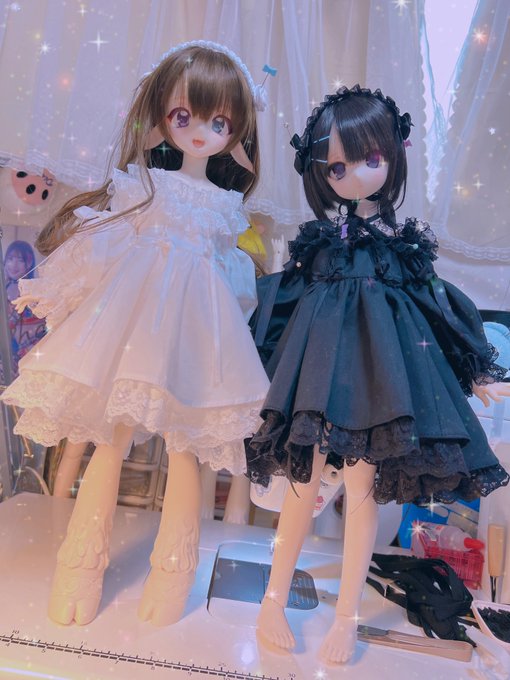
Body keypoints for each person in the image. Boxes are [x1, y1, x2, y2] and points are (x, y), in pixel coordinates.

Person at [1, 40, 269, 626]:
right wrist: (67, 291)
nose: (201, 132)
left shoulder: (224, 207)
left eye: (219, 123)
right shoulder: (145, 186)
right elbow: (110, 244)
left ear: (236, 134)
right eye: (184, 116)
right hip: (135, 328)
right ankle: (80, 562)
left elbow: (231, 276)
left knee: (184, 445)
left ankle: (175, 569)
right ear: (161, 118)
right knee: (111, 438)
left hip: (194, 331)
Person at [246, 85, 510, 664]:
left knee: (362, 492)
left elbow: (434, 304)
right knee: (302, 488)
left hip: (377, 388)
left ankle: (347, 616)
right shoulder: (320, 241)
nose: (356, 176)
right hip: (318, 381)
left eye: (370, 159)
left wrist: (474, 367)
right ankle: (272, 599)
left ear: (393, 155)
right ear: (321, 172)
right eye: (338, 167)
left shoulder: (401, 245)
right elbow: (285, 301)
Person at [2, 240, 45, 376]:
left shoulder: (36, 292)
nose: (13, 265)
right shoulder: (3, 289)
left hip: (28, 357)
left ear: (29, 263)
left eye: (20, 260)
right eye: (10, 259)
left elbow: (42, 329)